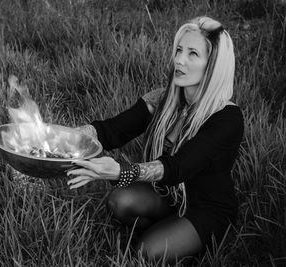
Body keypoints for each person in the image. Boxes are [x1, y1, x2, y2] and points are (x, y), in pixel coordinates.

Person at [66, 16, 244, 262]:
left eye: (193, 54)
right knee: (119, 201)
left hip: (207, 208)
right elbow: (112, 131)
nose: (179, 60)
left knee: (146, 253)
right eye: (179, 50)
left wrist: (121, 172)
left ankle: (173, 234)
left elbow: (180, 166)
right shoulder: (163, 99)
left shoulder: (227, 118)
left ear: (213, 65)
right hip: (167, 193)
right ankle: (163, 225)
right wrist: (66, 137)